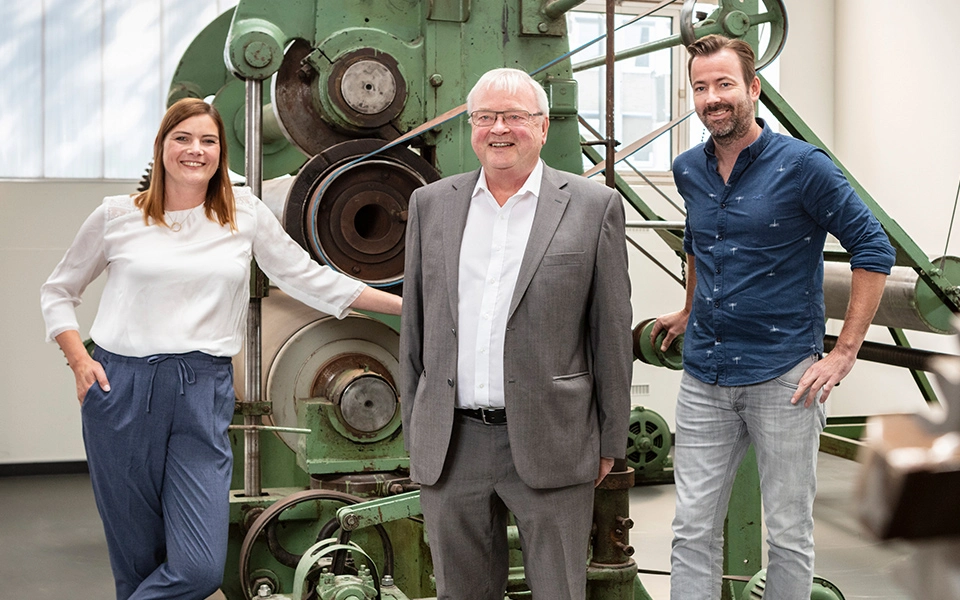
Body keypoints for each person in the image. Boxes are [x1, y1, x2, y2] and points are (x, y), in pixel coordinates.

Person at [40, 98, 402, 600]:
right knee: (137, 561)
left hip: (201, 390)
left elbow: (310, 280)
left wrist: (410, 305)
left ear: (220, 152)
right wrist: (80, 360)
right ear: (162, 147)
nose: (196, 150)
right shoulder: (118, 216)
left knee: (199, 569)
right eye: (182, 138)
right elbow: (58, 291)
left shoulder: (244, 215)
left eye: (208, 141)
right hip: (121, 388)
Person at [651, 35, 896, 600]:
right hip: (705, 377)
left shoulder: (804, 166)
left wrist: (844, 352)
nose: (712, 98)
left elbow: (873, 248)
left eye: (724, 84)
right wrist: (691, 307)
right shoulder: (689, 168)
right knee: (691, 530)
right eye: (700, 87)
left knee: (788, 534)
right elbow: (696, 241)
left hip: (785, 377)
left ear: (753, 88)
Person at [399, 67, 633, 600]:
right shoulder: (431, 205)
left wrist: (610, 439)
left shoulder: (593, 206)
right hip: (452, 445)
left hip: (554, 438)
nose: (499, 128)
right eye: (486, 117)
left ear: (544, 127)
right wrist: (419, 431)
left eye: (514, 117)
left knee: (559, 590)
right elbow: (413, 330)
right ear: (471, 125)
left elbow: (612, 335)